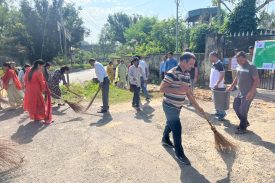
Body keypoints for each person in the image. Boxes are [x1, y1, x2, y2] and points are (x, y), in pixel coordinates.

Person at [160, 52, 205, 165]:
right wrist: (179, 89)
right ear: (183, 61)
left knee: (170, 123)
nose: (192, 67)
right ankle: (180, 153)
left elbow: (188, 93)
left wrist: (198, 107)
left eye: (193, 64)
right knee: (177, 128)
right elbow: (162, 88)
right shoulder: (172, 73)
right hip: (169, 105)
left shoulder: (187, 74)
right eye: (190, 64)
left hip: (178, 106)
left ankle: (165, 139)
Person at [227, 51, 260, 134]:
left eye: (241, 60)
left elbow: (257, 80)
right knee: (235, 106)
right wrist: (231, 86)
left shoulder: (251, 66)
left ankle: (243, 128)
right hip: (240, 91)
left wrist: (251, 92)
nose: (239, 62)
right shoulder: (239, 65)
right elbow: (237, 78)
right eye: (237, 60)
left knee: (243, 110)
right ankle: (245, 122)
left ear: (245, 58)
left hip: (249, 92)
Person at [24, 60, 52, 124]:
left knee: (33, 104)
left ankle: (36, 117)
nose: (42, 68)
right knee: (40, 104)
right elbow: (41, 83)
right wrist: (45, 89)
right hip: (36, 90)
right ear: (39, 65)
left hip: (29, 90)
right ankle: (45, 118)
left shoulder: (28, 70)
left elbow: (25, 79)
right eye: (42, 66)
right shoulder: (38, 72)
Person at [209, 51, 226, 121]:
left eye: (210, 57)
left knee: (219, 100)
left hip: (218, 85)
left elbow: (222, 75)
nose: (209, 58)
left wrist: (217, 83)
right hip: (213, 85)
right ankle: (218, 112)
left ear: (214, 57)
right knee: (215, 99)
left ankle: (222, 113)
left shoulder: (220, 64)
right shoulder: (214, 64)